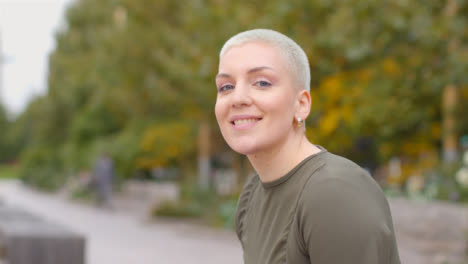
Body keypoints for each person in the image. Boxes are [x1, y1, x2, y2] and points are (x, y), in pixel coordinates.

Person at [214, 29, 401, 263]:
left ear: (301, 104)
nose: (237, 97)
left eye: (262, 83)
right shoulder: (253, 196)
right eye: (226, 87)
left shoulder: (334, 192)